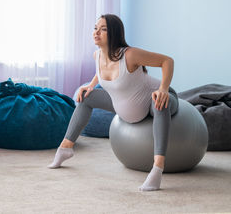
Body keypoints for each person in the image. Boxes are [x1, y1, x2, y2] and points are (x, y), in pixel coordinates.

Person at [48, 14, 179, 192]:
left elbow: (167, 61)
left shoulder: (130, 55)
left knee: (159, 103)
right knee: (85, 98)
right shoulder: (97, 55)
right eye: (95, 28)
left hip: (153, 97)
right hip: (126, 107)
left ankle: (157, 168)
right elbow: (101, 73)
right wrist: (91, 86)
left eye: (103, 29)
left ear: (115, 33)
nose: (96, 33)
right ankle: (65, 148)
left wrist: (163, 89)